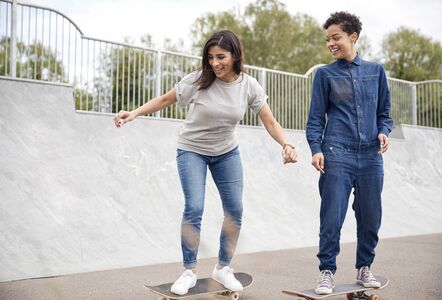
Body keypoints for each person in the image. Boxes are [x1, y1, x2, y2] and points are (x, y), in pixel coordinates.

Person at [114, 30, 298, 295]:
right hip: (192, 150)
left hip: (227, 152)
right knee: (194, 207)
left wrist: (286, 144)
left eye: (221, 57)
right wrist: (134, 113)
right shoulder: (198, 80)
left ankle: (223, 268)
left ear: (235, 56)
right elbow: (166, 99)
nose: (215, 63)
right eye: (210, 57)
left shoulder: (249, 85)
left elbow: (269, 119)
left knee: (235, 210)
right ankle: (188, 271)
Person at [305, 12, 393, 295]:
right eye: (327, 39)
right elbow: (315, 118)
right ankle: (327, 272)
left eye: (336, 37)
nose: (330, 43)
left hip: (370, 155)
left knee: (370, 216)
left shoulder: (376, 71)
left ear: (352, 37)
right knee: (332, 216)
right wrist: (316, 149)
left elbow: (385, 114)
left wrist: (383, 131)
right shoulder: (325, 74)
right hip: (336, 153)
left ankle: (364, 267)